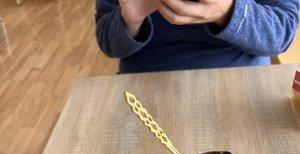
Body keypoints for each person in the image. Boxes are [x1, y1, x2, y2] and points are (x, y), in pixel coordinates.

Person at [95, 0, 299, 73]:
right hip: (144, 85)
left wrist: (228, 12)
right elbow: (108, 43)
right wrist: (129, 20)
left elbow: (282, 32)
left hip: (240, 81)